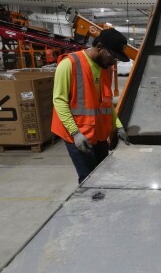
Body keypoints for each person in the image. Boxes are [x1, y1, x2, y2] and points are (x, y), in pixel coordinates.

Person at [51, 28, 130, 184]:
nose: (113, 61)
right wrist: (75, 133)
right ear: (99, 47)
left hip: (99, 134)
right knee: (88, 179)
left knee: (103, 174)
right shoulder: (70, 64)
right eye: (112, 56)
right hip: (77, 134)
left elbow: (106, 104)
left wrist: (118, 127)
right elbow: (59, 101)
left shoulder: (105, 69)